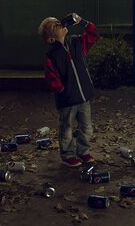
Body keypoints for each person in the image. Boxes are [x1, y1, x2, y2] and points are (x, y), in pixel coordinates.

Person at [37, 13, 99, 167]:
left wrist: (82, 21)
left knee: (87, 127)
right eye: (54, 26)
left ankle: (83, 151)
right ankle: (68, 155)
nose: (59, 24)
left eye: (58, 22)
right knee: (67, 128)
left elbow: (93, 34)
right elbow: (52, 77)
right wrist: (62, 91)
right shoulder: (52, 55)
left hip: (83, 95)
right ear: (51, 39)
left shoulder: (76, 42)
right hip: (68, 99)